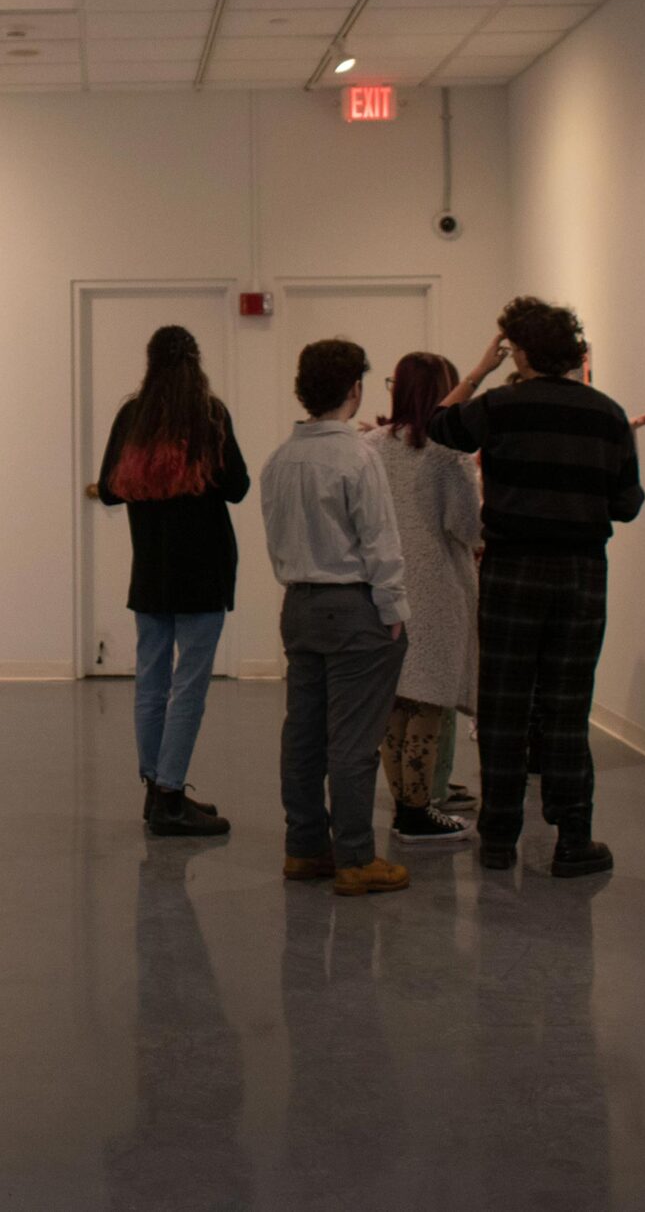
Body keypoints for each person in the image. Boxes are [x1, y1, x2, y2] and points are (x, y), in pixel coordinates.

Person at [428, 297, 643, 876]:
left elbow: (438, 427)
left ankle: (498, 839)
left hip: (512, 570)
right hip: (581, 575)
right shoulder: (608, 414)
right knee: (567, 709)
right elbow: (627, 505)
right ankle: (573, 839)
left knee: (503, 707)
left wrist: (477, 372)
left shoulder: (500, 406)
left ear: (519, 350)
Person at [258, 339, 410, 897]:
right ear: (355, 390)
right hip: (355, 608)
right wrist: (393, 609)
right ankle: (355, 858)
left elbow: (277, 540)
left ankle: (303, 848)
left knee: (303, 734)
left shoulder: (280, 460)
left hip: (298, 605)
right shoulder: (358, 456)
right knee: (352, 741)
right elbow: (380, 542)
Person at [95, 325, 251, 837]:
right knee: (189, 687)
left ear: (150, 362)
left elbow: (113, 491)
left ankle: (156, 789)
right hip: (204, 570)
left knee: (152, 681)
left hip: (153, 571)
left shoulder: (132, 416)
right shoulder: (209, 415)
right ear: (196, 361)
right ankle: (170, 795)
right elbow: (238, 488)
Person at [366, 352, 481, 848]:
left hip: (383, 584)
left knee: (395, 700)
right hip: (436, 586)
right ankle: (418, 811)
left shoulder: (368, 445)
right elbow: (467, 526)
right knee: (430, 701)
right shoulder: (446, 453)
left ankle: (404, 805)